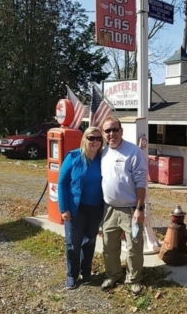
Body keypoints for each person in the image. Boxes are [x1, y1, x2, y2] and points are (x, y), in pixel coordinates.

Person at [100, 116, 148, 295]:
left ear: (121, 131)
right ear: (104, 134)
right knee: (108, 245)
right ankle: (113, 274)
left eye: (114, 129)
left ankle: (133, 279)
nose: (111, 134)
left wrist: (139, 208)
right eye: (107, 131)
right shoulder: (103, 153)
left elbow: (141, 182)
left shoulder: (133, 152)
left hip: (131, 210)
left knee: (134, 246)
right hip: (109, 209)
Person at [58, 127, 104, 290]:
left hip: (95, 208)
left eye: (99, 139)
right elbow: (62, 183)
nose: (95, 142)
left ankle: (86, 272)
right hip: (74, 208)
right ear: (84, 139)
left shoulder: (103, 158)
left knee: (89, 241)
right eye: (91, 138)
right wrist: (63, 208)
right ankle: (72, 274)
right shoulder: (73, 156)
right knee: (73, 243)